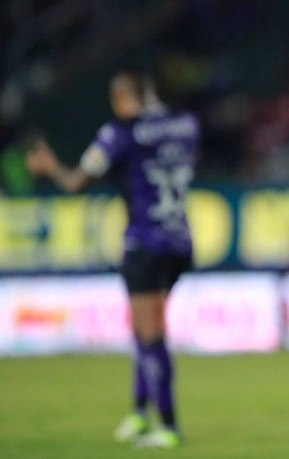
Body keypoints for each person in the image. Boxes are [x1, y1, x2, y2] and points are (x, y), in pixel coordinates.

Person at [26, 70, 199, 449]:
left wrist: (50, 166)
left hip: (145, 241)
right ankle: (140, 412)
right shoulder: (185, 125)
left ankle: (168, 426)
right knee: (146, 327)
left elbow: (76, 183)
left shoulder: (119, 133)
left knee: (149, 330)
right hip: (180, 239)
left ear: (121, 99)